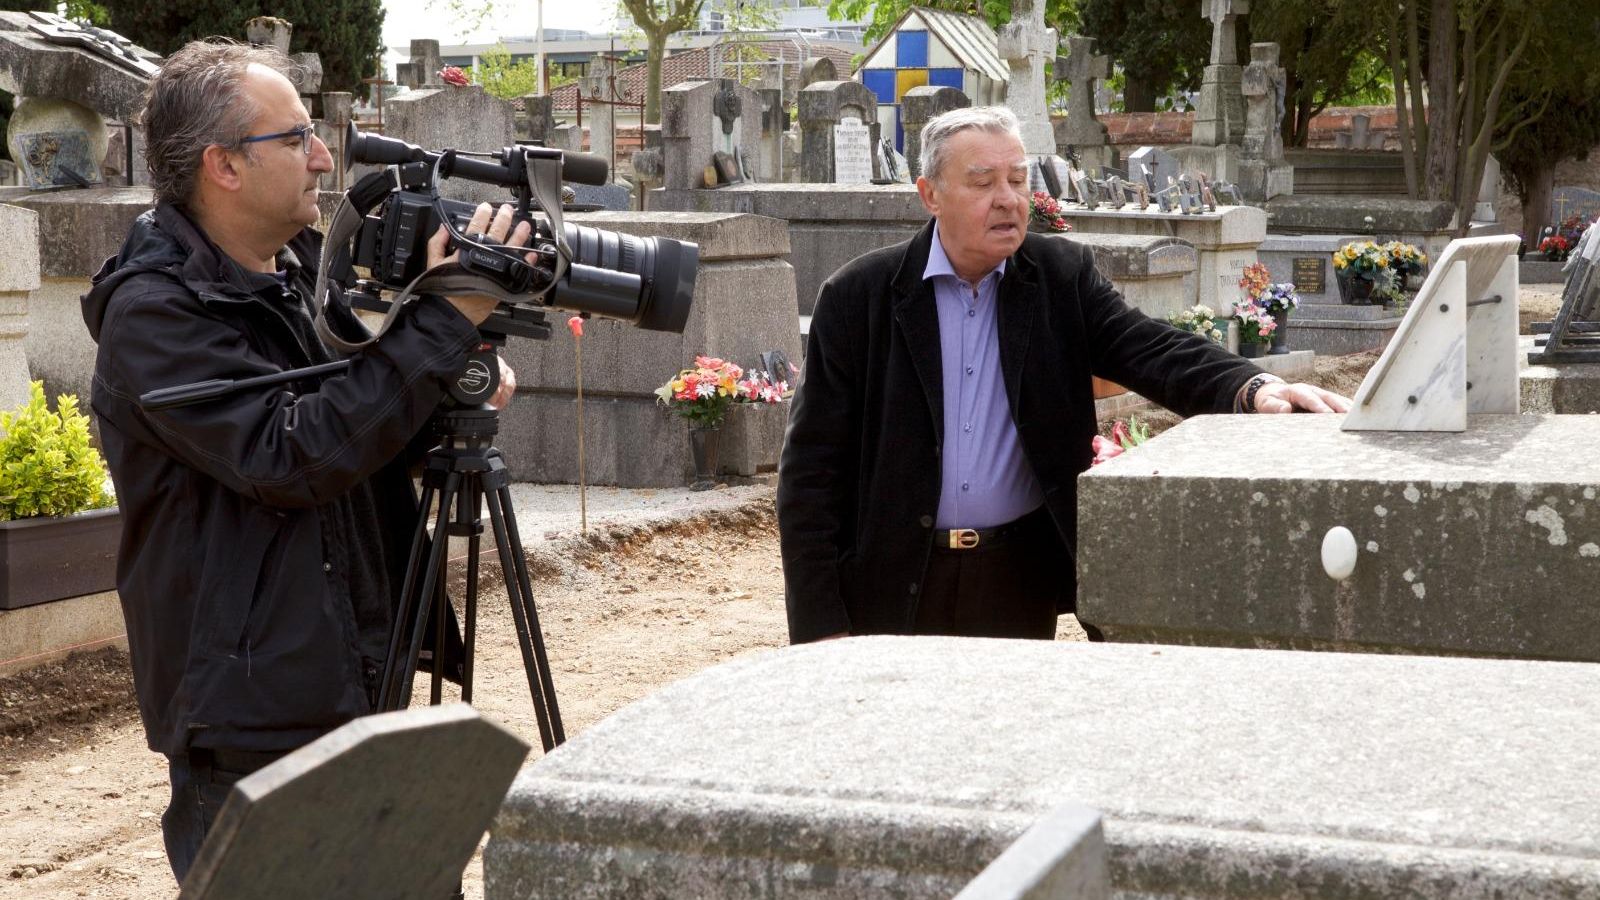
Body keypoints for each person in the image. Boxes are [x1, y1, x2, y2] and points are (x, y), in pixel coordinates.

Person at [80, 41, 533, 882]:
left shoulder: (290, 277)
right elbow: (290, 455)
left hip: (357, 678)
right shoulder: (153, 315)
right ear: (222, 165)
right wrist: (447, 320)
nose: (325, 156)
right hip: (255, 719)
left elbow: (355, 446)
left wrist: (444, 387)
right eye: (296, 138)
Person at [777, 106, 1349, 645]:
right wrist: (820, 621)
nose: (1008, 200)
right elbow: (810, 472)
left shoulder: (1059, 278)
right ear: (931, 194)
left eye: (1018, 180)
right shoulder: (858, 298)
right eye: (983, 183)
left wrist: (1254, 389)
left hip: (1016, 576)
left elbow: (1151, 349)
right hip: (894, 576)